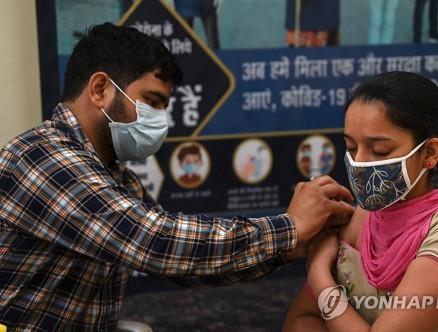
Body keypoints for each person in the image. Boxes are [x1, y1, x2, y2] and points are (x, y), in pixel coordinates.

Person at [0, 23, 355, 330]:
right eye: (151, 102)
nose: (159, 121)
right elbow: (153, 240)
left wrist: (289, 248)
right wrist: (288, 226)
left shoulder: (118, 178)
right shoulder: (41, 157)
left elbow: (182, 265)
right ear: (99, 89)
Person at [284, 71, 438, 331]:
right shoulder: (362, 216)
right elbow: (302, 320)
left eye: (379, 150)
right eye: (351, 148)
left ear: (430, 153)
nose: (359, 162)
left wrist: (319, 275)